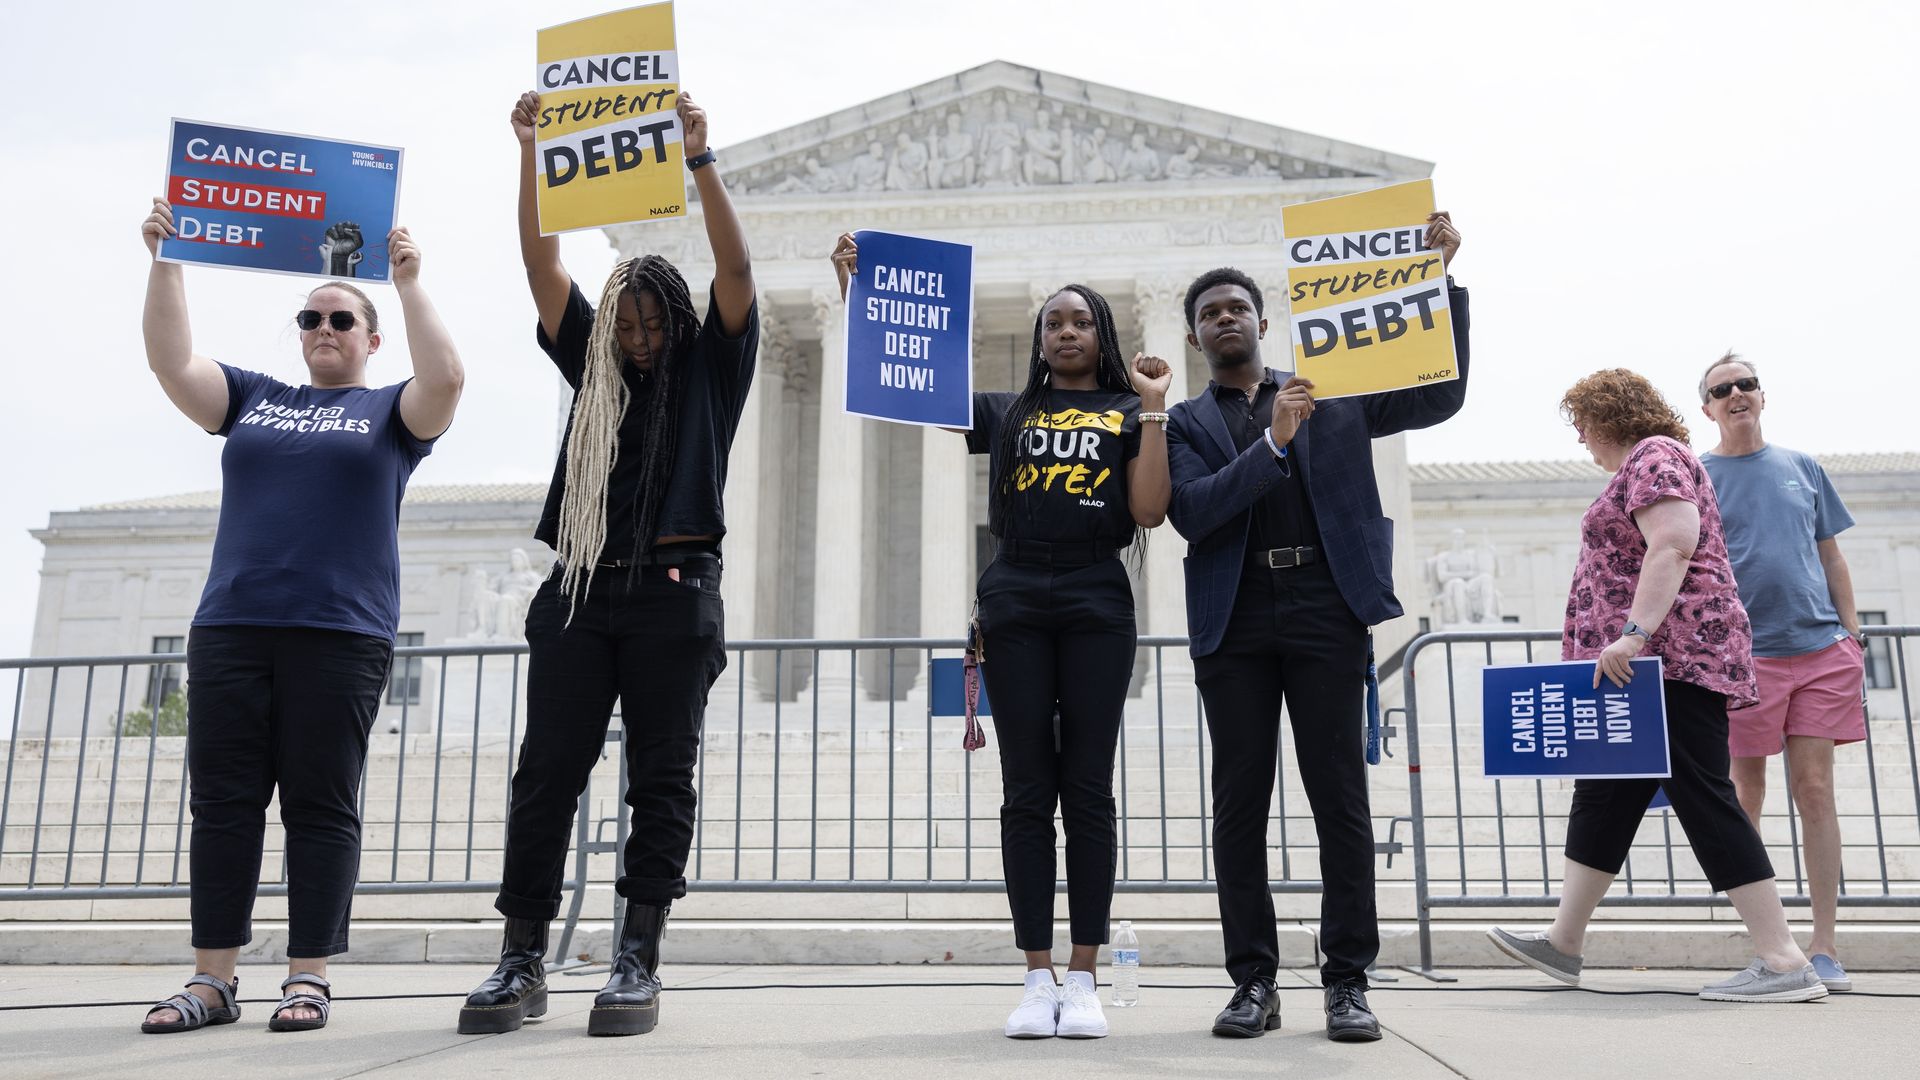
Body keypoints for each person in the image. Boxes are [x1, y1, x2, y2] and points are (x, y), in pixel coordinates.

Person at [460, 89, 757, 1038]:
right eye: (623, 325)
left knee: (662, 778)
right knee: (545, 772)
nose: (634, 339)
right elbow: (540, 261)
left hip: (674, 593)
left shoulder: (713, 368)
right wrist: (535, 153)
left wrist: (700, 160)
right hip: (582, 590)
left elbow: (738, 270)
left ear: (675, 320)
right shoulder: (590, 368)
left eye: (648, 324)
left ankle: (637, 955)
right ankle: (521, 956)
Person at [830, 234, 1172, 1039]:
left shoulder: (1128, 413)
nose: (1065, 331)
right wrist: (860, 294)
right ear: (1039, 339)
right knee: (1026, 793)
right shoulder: (1006, 412)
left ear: (1102, 335)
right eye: (1053, 321)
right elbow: (907, 385)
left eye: (1080, 321)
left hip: (1096, 594)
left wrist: (1153, 407)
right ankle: (1035, 974)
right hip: (1015, 593)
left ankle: (1083, 976)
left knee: (1087, 789)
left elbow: (1151, 510)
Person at [136, 202, 464, 1033]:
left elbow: (448, 382)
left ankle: (307, 975)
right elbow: (173, 364)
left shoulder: (391, 415)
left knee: (319, 805)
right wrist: (166, 258)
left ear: (369, 337)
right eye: (310, 318)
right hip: (233, 626)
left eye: (340, 318)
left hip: (340, 632)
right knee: (223, 802)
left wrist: (410, 283)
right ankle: (212, 980)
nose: (323, 326)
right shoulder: (253, 396)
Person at [1166, 213, 1468, 1042]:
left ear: (1264, 323)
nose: (1224, 319)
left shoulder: (1332, 391)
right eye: (1209, 314)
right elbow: (1192, 513)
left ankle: (1347, 981)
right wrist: (1271, 444)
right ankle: (1253, 981)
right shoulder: (1187, 424)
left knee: (1340, 801)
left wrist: (1437, 283)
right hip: (1235, 619)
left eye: (1237, 308)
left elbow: (1440, 395)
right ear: (1196, 338)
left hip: (1324, 609)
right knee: (1239, 808)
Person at [1488, 369, 1827, 1003]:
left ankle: (1783, 960)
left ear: (1605, 417)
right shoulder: (1647, 464)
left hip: (1667, 661)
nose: (1582, 439)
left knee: (1702, 793)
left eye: (1582, 424)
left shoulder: (1654, 455)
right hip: (1640, 670)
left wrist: (1633, 634)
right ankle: (1563, 943)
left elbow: (1672, 543)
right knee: (1604, 795)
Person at [1698, 352, 1865, 992]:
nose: (1737, 393)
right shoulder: (1697, 473)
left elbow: (1831, 554)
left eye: (1747, 384)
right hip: (1746, 658)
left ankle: (1824, 946)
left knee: (1815, 791)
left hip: (1822, 652)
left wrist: (1850, 632)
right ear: (1708, 407)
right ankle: (1773, 947)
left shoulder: (1804, 468)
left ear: (1762, 396)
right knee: (1746, 794)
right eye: (1722, 388)